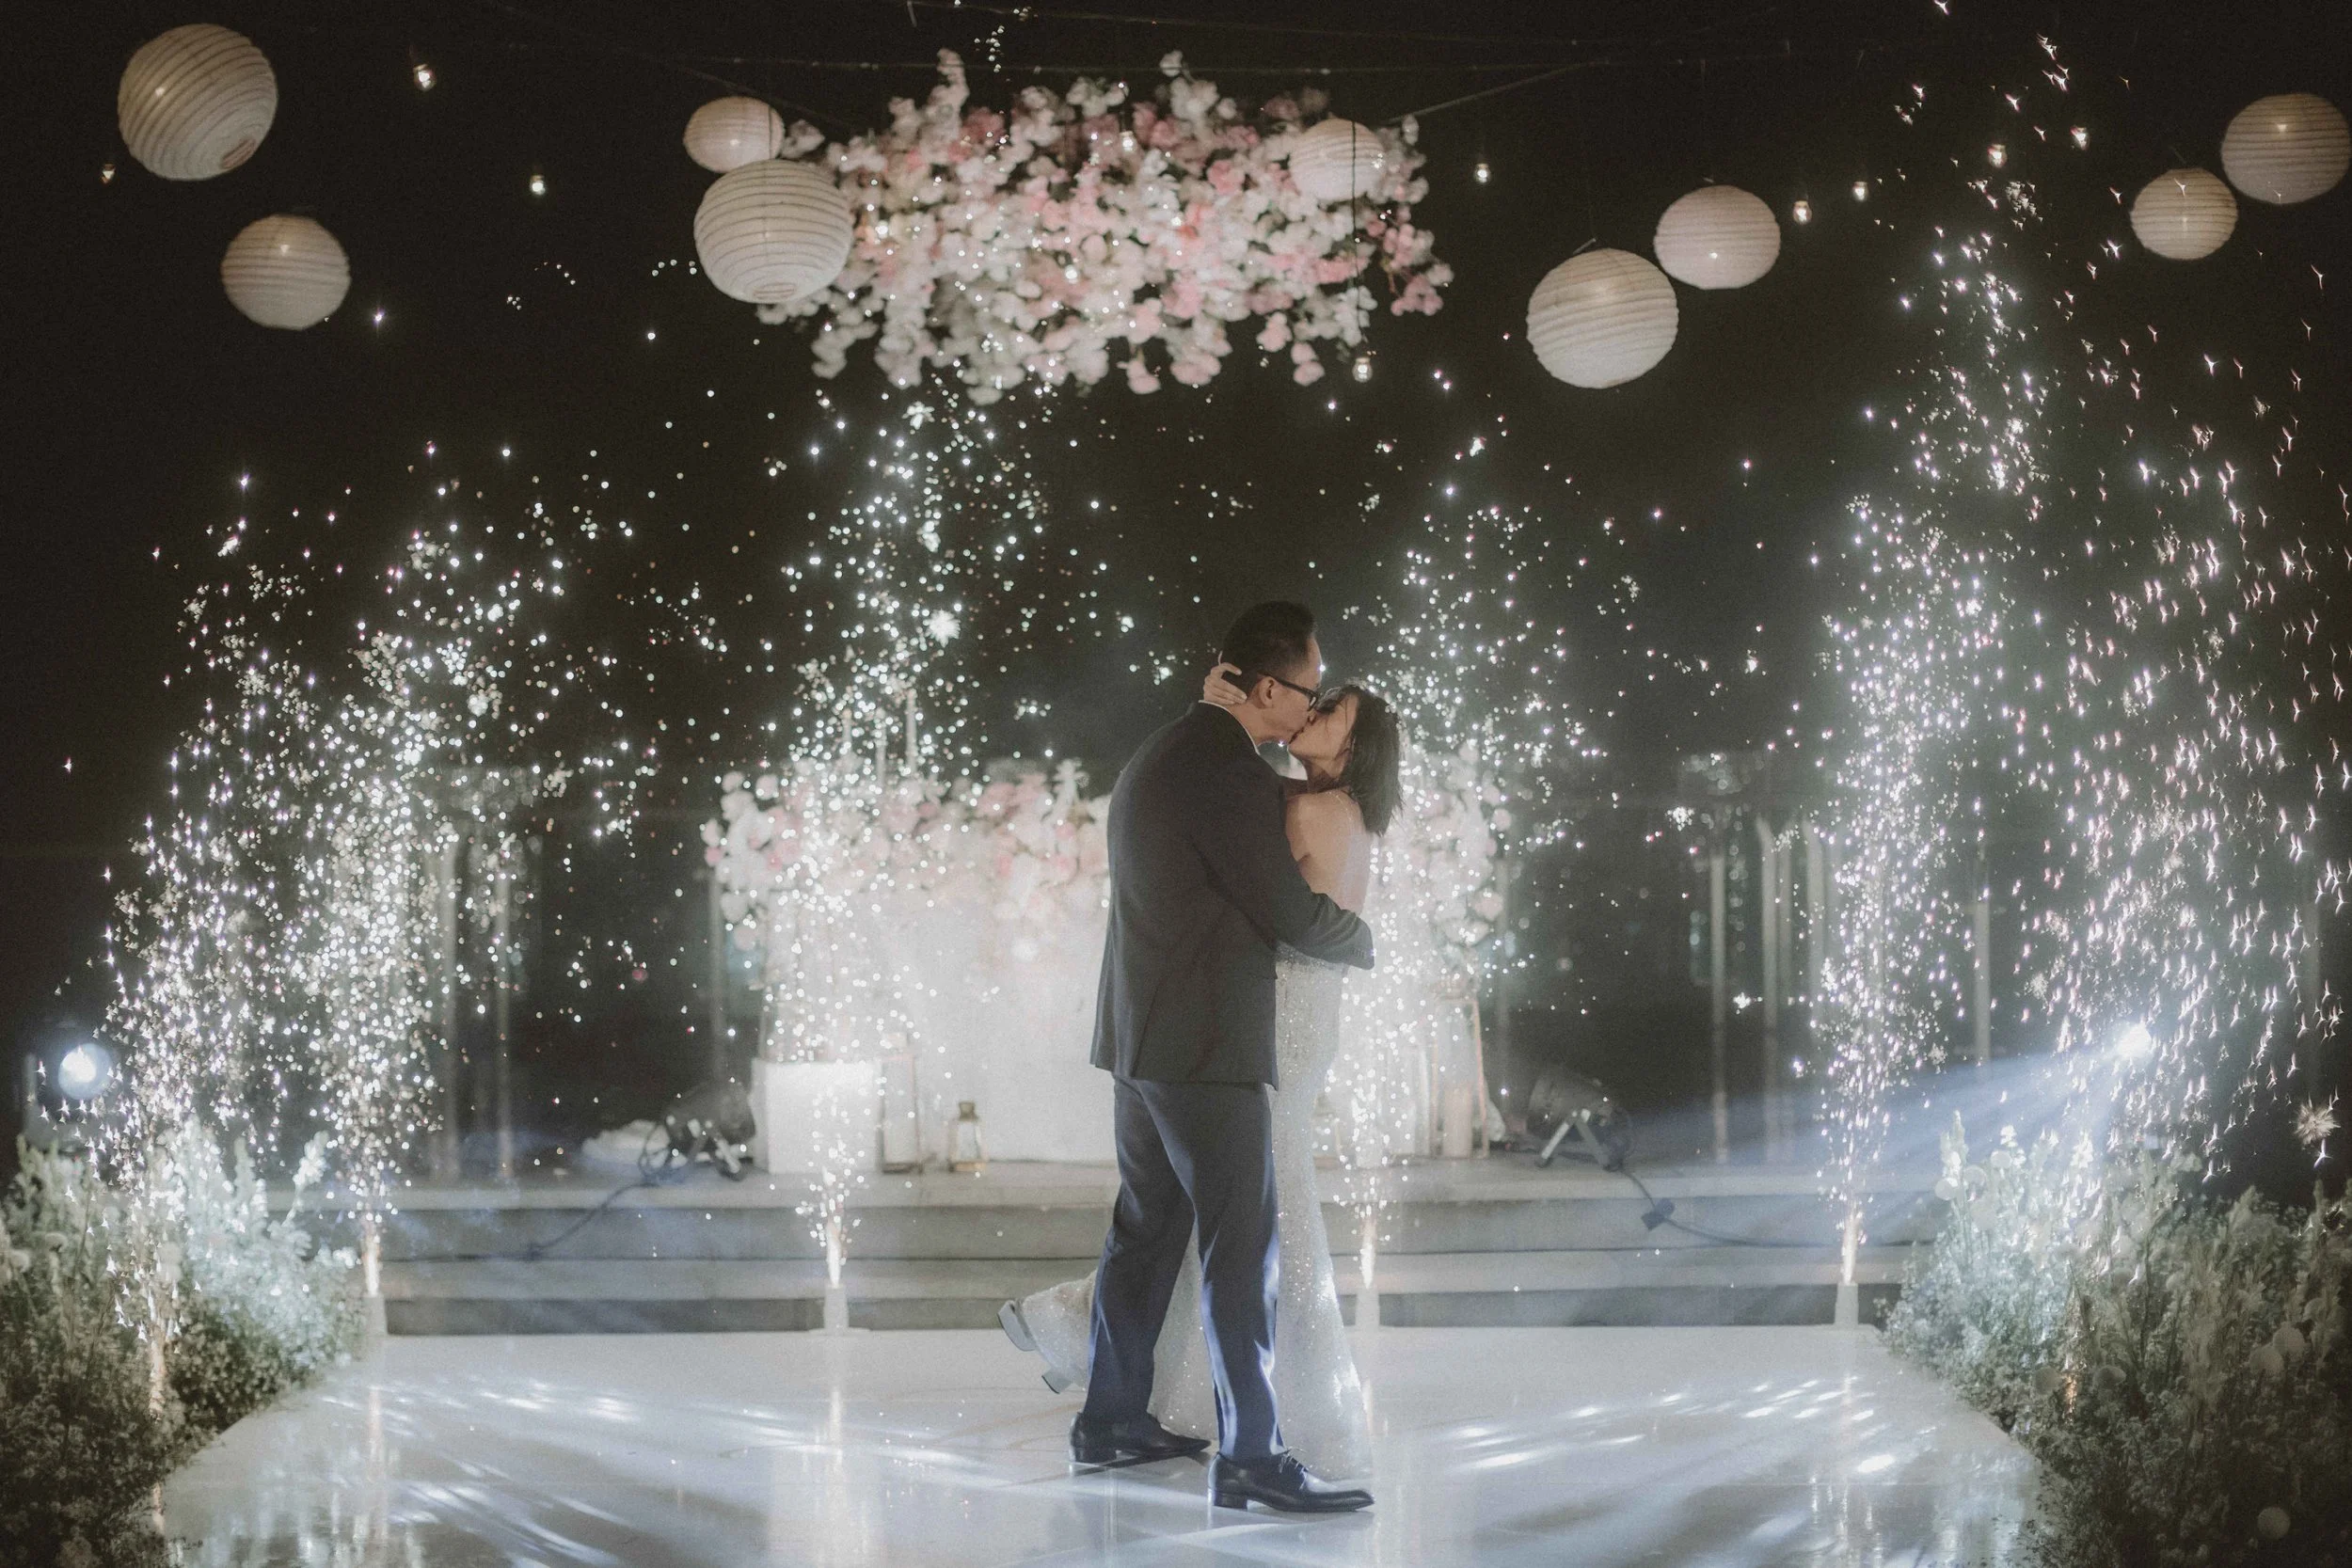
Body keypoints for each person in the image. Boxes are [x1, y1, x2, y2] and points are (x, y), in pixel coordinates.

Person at [998, 602, 1400, 1513]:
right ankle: (1252, 1453)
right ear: (1268, 688)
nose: (1308, 705)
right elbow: (1288, 911)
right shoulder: (1230, 773)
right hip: (1205, 1047)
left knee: (1146, 1232)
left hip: (1141, 1038)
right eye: (1305, 689)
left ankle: (1110, 1420)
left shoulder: (1168, 750)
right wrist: (1363, 940)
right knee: (1240, 1249)